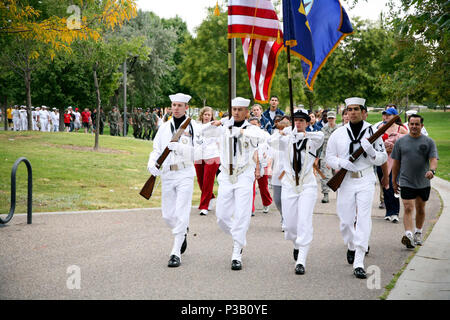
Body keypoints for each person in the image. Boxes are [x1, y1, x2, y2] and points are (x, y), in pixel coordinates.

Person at [326, 97, 387, 279]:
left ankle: (359, 259)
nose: (352, 112)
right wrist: (341, 162)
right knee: (345, 220)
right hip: (345, 180)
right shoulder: (338, 133)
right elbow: (329, 157)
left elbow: (383, 157)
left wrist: (372, 153)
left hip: (365, 179)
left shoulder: (373, 131)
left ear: (364, 112)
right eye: (349, 109)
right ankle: (352, 244)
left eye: (356, 109)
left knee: (363, 218)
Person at [203, 97, 267, 271]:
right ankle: (239, 237)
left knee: (242, 214)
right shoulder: (224, 127)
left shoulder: (252, 129)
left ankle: (237, 252)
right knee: (222, 217)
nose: (237, 112)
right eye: (234, 109)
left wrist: (243, 132)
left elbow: (264, 137)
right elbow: (203, 133)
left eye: (240, 109)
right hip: (226, 174)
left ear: (247, 112)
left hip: (244, 174)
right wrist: (216, 124)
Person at [147, 93, 201, 268]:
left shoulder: (194, 127)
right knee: (168, 215)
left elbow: (199, 154)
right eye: (173, 105)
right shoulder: (164, 127)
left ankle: (176, 252)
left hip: (185, 172)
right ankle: (182, 232)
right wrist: (151, 163)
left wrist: (181, 148)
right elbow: (156, 148)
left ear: (186, 107)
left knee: (181, 211)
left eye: (179, 105)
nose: (176, 108)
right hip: (167, 174)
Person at [268, 110, 324, 275]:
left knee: (304, 220)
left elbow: (319, 137)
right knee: (291, 225)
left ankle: (301, 260)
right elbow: (271, 141)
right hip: (290, 184)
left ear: (307, 123)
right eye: (296, 121)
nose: (298, 123)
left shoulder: (312, 138)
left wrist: (303, 135)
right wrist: (286, 133)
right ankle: (296, 243)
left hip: (307, 184)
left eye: (301, 121)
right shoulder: (286, 139)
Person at [391, 114, 439, 249]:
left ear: (421, 126)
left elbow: (433, 159)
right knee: (407, 207)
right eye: (411, 124)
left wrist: (432, 171)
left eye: (417, 124)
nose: (414, 126)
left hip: (423, 181)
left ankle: (418, 232)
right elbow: (396, 163)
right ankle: (409, 235)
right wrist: (394, 180)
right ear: (408, 125)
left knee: (421, 208)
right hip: (406, 181)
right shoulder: (401, 142)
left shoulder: (428, 142)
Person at [375, 107, 408, 222]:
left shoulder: (402, 129)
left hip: (395, 163)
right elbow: (374, 145)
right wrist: (384, 147)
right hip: (382, 161)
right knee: (385, 186)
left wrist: (395, 148)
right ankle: (388, 212)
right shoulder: (380, 128)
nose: (386, 117)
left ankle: (395, 212)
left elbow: (408, 145)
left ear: (395, 116)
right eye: (384, 115)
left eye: (389, 115)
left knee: (394, 186)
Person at [194, 106, 220, 216]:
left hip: (212, 156)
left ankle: (204, 206)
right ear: (202, 115)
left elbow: (219, 142)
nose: (207, 117)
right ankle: (211, 197)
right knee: (200, 181)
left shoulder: (216, 127)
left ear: (212, 116)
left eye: (209, 115)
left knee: (207, 181)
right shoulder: (197, 126)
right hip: (199, 156)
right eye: (205, 114)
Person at [248, 117, 273, 215]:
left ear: (259, 125)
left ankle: (266, 202)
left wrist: (268, 157)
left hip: (263, 163)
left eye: (255, 124)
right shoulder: (246, 135)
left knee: (263, 186)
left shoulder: (265, 135)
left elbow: (270, 148)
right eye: (251, 125)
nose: (253, 127)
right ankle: (251, 208)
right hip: (250, 164)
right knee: (250, 186)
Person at [270, 115, 291, 230]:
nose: (285, 126)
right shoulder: (276, 136)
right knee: (278, 200)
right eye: (283, 124)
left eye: (287, 124)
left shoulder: (294, 137)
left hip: (290, 174)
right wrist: (280, 134)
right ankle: (283, 215)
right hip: (278, 173)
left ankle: (287, 219)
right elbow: (269, 143)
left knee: (288, 198)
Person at [316, 111, 339, 203]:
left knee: (337, 176)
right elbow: (320, 144)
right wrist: (317, 157)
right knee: (325, 176)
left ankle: (339, 194)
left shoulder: (339, 129)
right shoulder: (323, 129)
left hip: (337, 155)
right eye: (329, 118)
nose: (330, 120)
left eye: (332, 118)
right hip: (325, 155)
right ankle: (326, 194)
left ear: (335, 119)